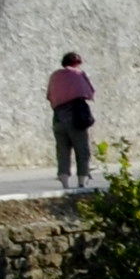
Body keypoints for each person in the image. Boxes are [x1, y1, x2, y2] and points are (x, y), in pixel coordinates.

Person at [46, 52, 98, 189]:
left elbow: (49, 96)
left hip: (57, 117)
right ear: (77, 63)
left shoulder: (54, 76)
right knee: (82, 150)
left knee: (62, 150)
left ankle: (64, 181)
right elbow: (89, 92)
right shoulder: (78, 74)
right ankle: (82, 181)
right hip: (75, 116)